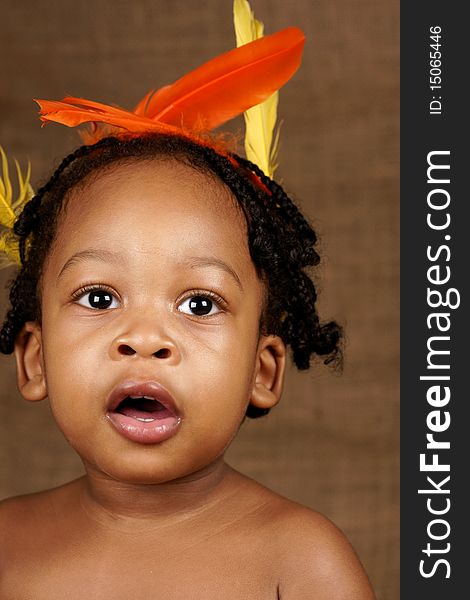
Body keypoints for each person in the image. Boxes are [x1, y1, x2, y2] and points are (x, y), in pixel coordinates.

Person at [0, 3, 376, 598]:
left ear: (262, 369)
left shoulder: (302, 563)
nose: (144, 337)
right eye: (98, 296)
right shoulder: (7, 546)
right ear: (35, 359)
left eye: (199, 305)